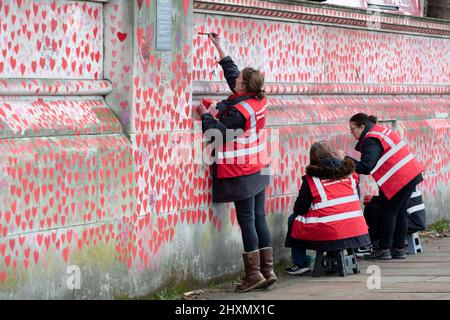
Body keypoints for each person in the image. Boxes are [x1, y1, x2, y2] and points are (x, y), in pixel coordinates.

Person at [195, 33, 276, 292]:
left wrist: (205, 115)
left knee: (247, 221)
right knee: (259, 217)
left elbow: (216, 134)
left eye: (238, 80)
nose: (235, 80)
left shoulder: (239, 112)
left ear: (243, 88)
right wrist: (219, 46)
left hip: (243, 169)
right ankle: (268, 269)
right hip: (260, 166)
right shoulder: (258, 99)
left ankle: (253, 275)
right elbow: (232, 73)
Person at [337, 113, 424, 260]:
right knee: (400, 212)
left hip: (400, 178)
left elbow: (366, 166)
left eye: (352, 129)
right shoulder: (378, 131)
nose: (351, 133)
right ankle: (399, 248)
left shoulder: (371, 139)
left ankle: (384, 249)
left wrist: (344, 159)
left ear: (362, 127)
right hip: (410, 174)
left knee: (388, 212)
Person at [285, 141, 371, 274]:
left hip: (329, 230)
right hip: (356, 229)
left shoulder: (311, 179)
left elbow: (300, 209)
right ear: (331, 153)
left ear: (313, 159)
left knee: (293, 219)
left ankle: (299, 263)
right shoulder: (350, 174)